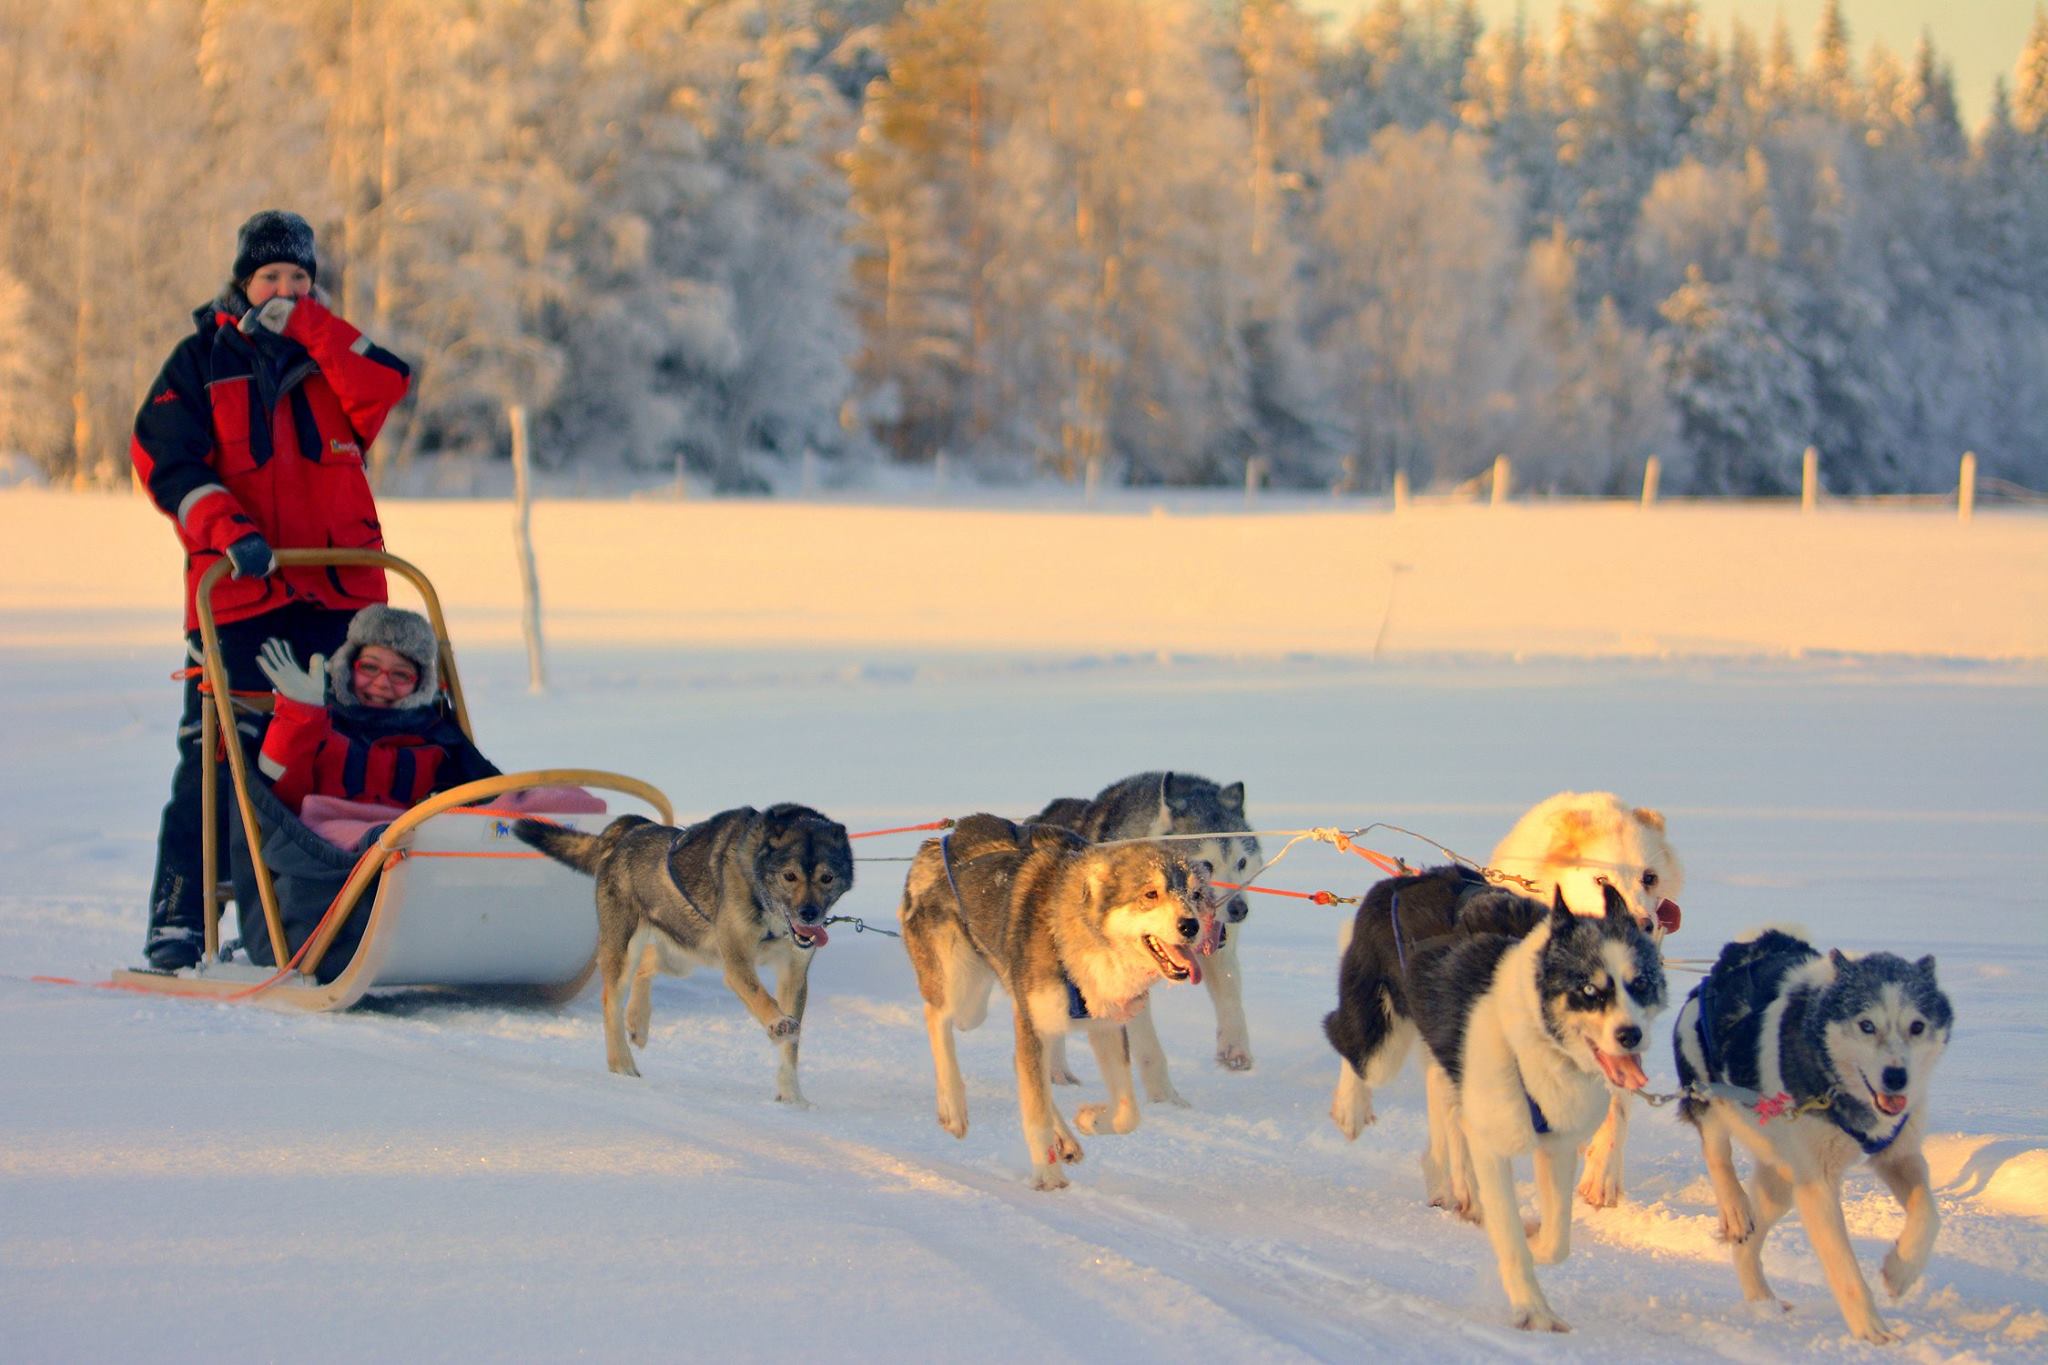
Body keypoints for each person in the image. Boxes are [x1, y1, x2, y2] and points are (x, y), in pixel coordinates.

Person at [130, 209, 411, 969]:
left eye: (299, 279)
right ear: (242, 282)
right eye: (271, 278)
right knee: (220, 752)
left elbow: (386, 387)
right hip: (243, 593)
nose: (285, 290)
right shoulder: (198, 360)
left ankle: (369, 900)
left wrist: (316, 329)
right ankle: (179, 915)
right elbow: (167, 461)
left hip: (342, 596)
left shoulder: (332, 357)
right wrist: (228, 530)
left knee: (365, 745)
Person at [253, 604, 499, 815]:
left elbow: (493, 795)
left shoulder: (439, 737)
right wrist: (300, 716)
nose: (382, 683)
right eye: (370, 668)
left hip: (415, 852)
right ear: (348, 668)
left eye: (400, 674)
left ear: (420, 683)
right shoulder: (322, 726)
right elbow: (283, 797)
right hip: (330, 853)